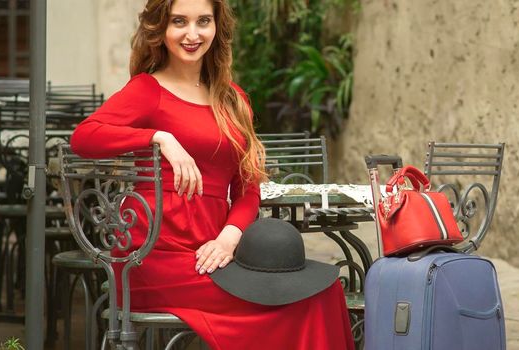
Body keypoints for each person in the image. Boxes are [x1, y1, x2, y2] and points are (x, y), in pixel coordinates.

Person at [69, 0, 356, 348]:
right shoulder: (147, 90)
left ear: (217, 27)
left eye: (203, 21)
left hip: (216, 252)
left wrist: (229, 238)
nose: (192, 34)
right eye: (179, 22)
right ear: (161, 29)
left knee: (323, 292)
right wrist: (158, 137)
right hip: (154, 255)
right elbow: (84, 137)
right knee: (292, 303)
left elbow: (249, 186)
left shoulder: (233, 100)